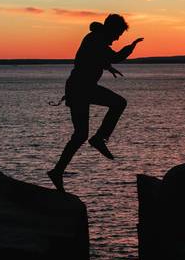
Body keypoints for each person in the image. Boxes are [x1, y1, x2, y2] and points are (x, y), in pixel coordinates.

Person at [48, 13, 143, 191]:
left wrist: (108, 67)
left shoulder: (96, 39)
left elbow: (96, 57)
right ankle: (99, 138)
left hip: (79, 89)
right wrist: (131, 47)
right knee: (118, 103)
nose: (116, 38)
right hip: (81, 89)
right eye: (117, 34)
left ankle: (57, 171)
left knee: (80, 134)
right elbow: (113, 56)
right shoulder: (97, 39)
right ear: (111, 29)